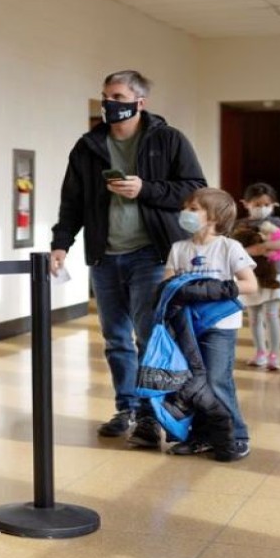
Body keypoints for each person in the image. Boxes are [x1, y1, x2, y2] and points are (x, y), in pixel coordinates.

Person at [49, 70, 206, 438]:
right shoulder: (88, 146)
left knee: (148, 336)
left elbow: (195, 189)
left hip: (150, 255)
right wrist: (61, 243)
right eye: (106, 96)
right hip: (105, 257)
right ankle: (127, 409)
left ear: (140, 102)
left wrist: (146, 189)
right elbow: (72, 202)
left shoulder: (168, 139)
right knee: (116, 338)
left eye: (118, 96)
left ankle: (153, 414)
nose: (110, 103)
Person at [156, 188, 257, 459]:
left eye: (193, 209)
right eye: (186, 207)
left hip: (220, 327)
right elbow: (166, 285)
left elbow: (250, 283)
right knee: (193, 384)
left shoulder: (229, 247)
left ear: (213, 216)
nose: (185, 213)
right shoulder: (179, 248)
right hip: (186, 328)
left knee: (216, 380)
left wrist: (213, 289)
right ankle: (201, 436)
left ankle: (236, 434)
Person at [235, 182, 280, 372]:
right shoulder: (241, 225)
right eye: (257, 204)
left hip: (274, 276)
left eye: (266, 204)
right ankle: (260, 352)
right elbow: (236, 249)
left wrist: (265, 247)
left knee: (272, 314)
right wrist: (252, 250)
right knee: (253, 317)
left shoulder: (277, 223)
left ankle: (274, 355)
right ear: (246, 203)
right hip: (251, 277)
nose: (262, 208)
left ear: (273, 204)